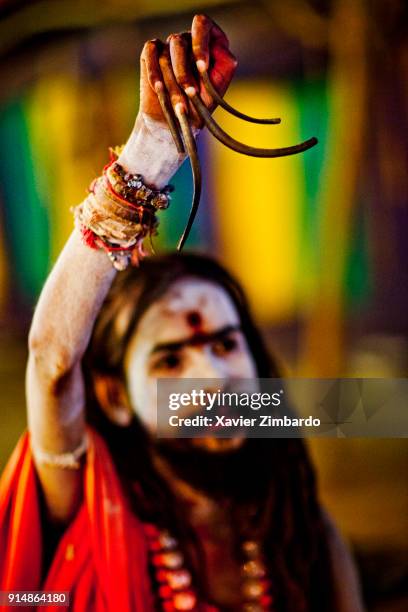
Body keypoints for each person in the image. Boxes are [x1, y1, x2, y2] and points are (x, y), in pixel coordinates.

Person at [0, 15, 363, 612]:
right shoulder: (85, 507)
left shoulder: (305, 533)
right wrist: (153, 148)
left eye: (225, 344)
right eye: (170, 359)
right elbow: (53, 360)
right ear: (116, 396)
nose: (213, 380)